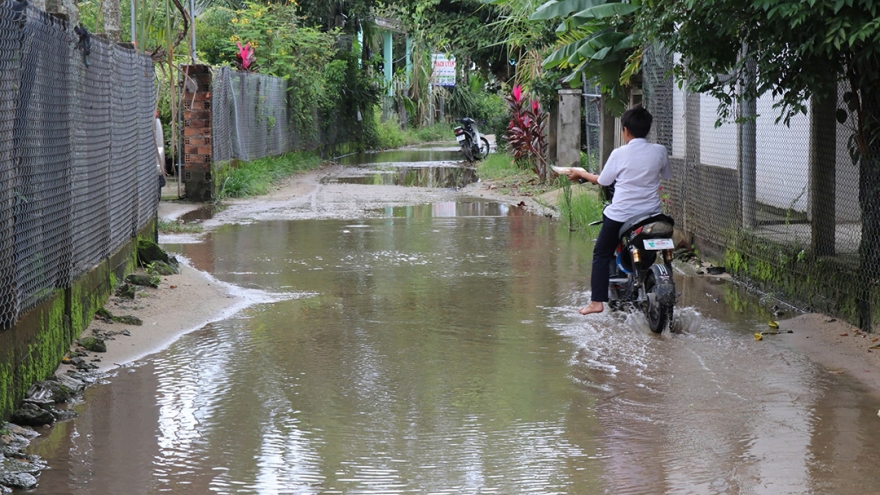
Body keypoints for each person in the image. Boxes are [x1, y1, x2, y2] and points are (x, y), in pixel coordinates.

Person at [567, 104, 672, 315]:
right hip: (651, 215)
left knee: (601, 252)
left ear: (625, 130)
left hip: (622, 215)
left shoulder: (619, 153)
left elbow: (603, 181)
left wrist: (581, 173)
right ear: (647, 129)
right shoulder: (660, 151)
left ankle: (597, 302)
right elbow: (666, 175)